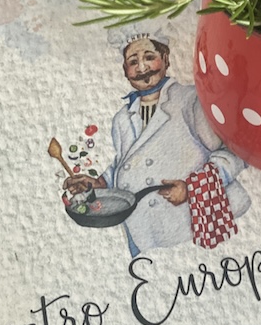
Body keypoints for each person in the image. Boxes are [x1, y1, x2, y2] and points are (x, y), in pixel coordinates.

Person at [64, 33, 250, 256]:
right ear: (125, 69)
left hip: (186, 225)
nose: (142, 67)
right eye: (133, 62)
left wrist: (191, 188)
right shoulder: (122, 118)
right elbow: (127, 161)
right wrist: (101, 182)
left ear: (166, 58)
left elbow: (234, 150)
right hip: (142, 229)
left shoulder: (190, 100)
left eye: (149, 57)